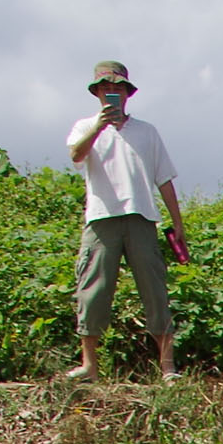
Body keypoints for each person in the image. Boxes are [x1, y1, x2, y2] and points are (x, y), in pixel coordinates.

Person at [64, 60, 188, 381]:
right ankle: (89, 366)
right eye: (106, 88)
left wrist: (178, 223)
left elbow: (164, 179)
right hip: (101, 219)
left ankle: (167, 367)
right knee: (93, 288)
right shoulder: (84, 126)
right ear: (97, 93)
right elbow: (77, 155)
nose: (112, 93)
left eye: (117, 88)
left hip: (142, 217)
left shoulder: (147, 132)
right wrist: (99, 127)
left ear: (127, 93)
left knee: (154, 288)